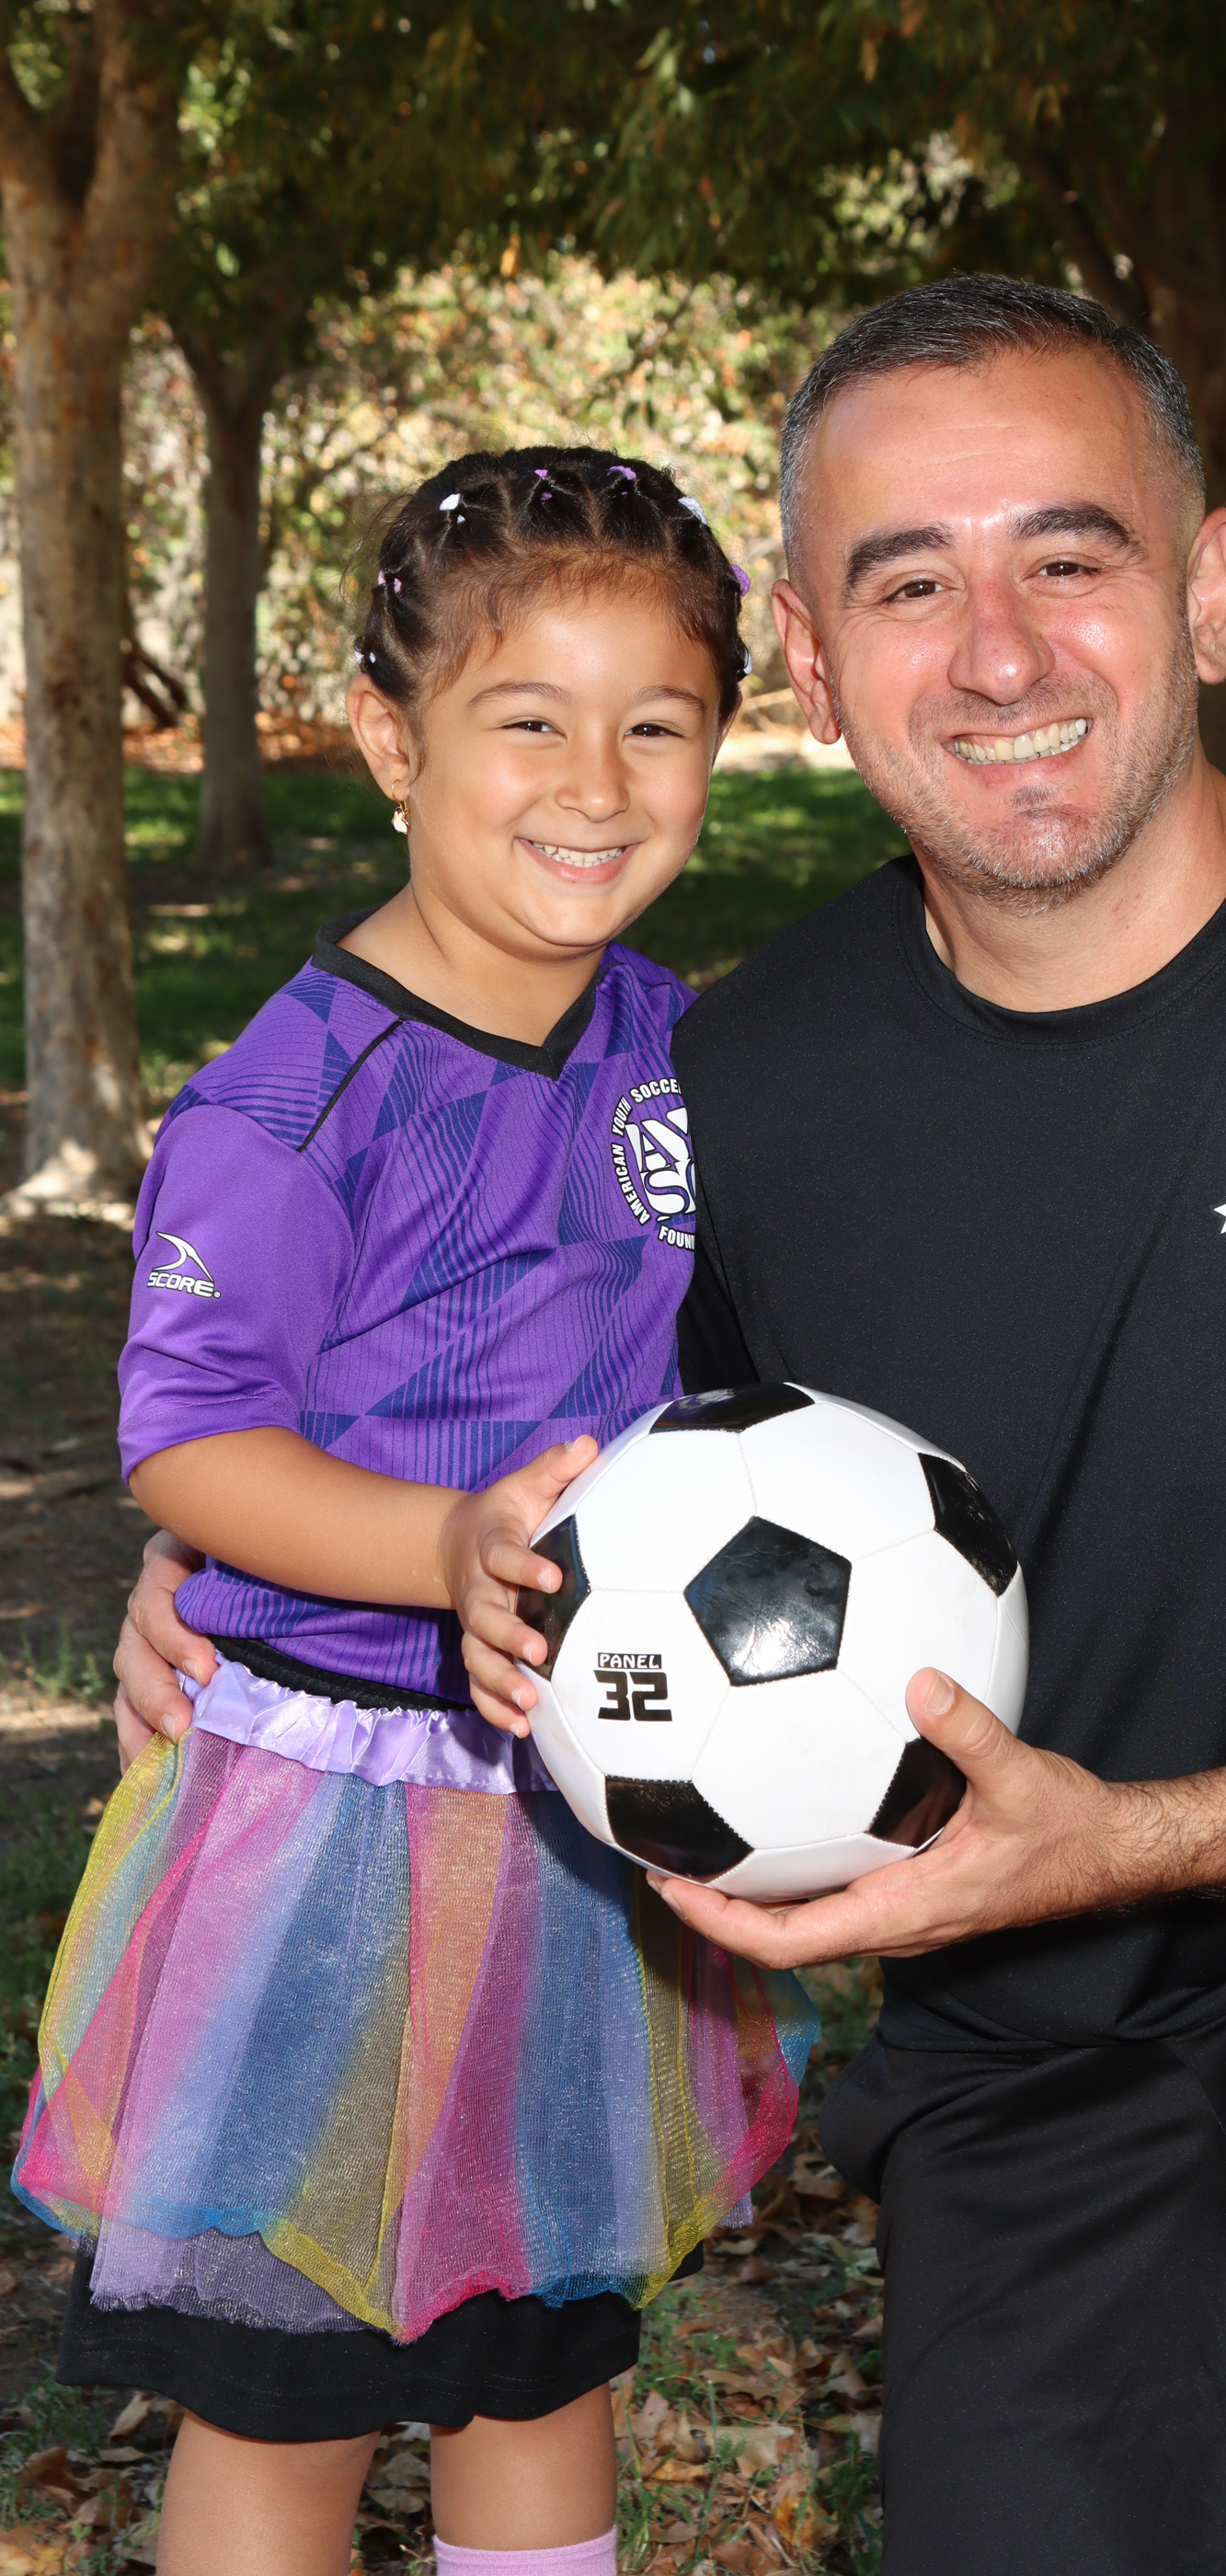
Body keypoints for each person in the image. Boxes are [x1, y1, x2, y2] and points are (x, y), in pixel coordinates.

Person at [120, 282, 1226, 2575]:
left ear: (1205, 585)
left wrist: (1150, 1832)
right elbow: (533, 1422)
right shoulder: (729, 1087)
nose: (1000, 653)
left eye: (1069, 556)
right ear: (818, 665)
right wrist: (246, 1559)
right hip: (1047, 2016)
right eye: (910, 583)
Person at [22, 447, 815, 2576]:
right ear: (391, 739)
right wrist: (441, 1546)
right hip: (333, 1819)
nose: (597, 782)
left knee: (536, 2362)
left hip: (578, 1812)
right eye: (527, 719)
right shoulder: (295, 1100)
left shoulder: (683, 1047)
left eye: (658, 724)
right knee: (288, 2389)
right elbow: (192, 1442)